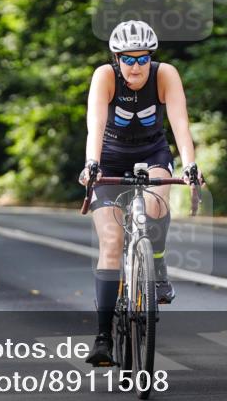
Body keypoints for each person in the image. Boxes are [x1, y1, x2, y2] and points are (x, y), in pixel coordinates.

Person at [78, 20, 203, 366]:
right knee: (111, 243)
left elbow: (180, 123)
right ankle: (103, 337)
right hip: (110, 157)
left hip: (152, 154)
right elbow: (95, 125)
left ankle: (157, 268)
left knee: (157, 201)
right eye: (127, 59)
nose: (136, 66)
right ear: (116, 59)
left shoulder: (166, 75)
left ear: (151, 58)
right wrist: (92, 164)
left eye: (142, 58)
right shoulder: (104, 76)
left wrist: (191, 165)